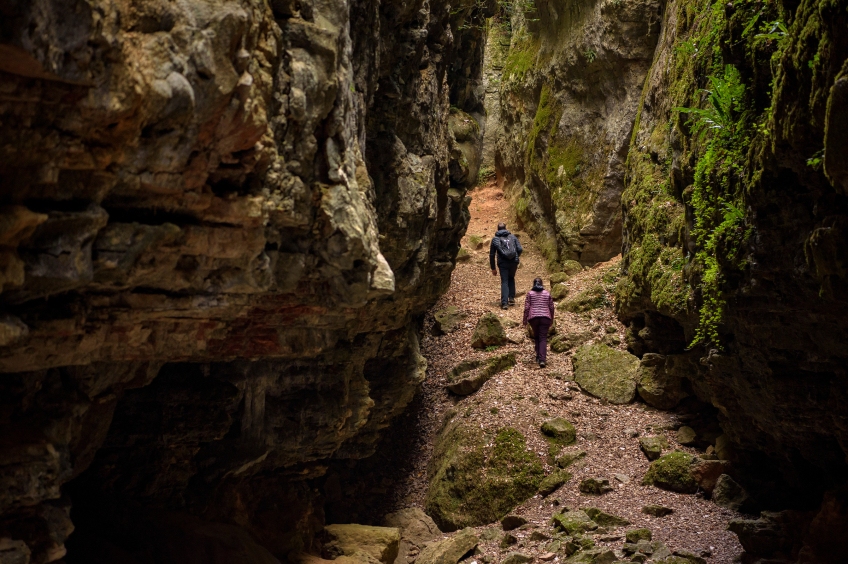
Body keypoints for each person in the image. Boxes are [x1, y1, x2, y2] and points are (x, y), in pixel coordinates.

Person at [489, 223, 523, 309]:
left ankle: (504, 303)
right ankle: (511, 298)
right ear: (505, 228)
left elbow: (492, 254)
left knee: (504, 281)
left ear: (498, 229)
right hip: (514, 262)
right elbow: (520, 249)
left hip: (503, 263)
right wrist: (516, 257)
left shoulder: (495, 239)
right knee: (511, 277)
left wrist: (493, 268)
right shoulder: (513, 237)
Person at [522, 277, 554, 367]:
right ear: (542, 284)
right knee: (543, 337)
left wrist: (524, 320)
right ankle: (542, 359)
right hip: (545, 317)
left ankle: (538, 356)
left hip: (534, 318)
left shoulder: (530, 294)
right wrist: (552, 318)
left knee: (536, 336)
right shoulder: (547, 293)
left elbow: (527, 308)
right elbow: (551, 307)